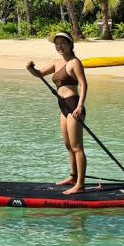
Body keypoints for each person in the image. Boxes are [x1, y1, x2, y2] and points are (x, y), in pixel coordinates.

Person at [26, 31, 89, 194]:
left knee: (77, 147)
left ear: (70, 44)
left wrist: (80, 106)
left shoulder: (75, 63)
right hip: (63, 107)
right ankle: (73, 176)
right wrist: (30, 68)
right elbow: (39, 74)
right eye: (57, 44)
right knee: (68, 146)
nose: (59, 46)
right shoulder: (57, 63)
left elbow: (83, 84)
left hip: (74, 105)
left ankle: (80, 185)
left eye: (62, 43)